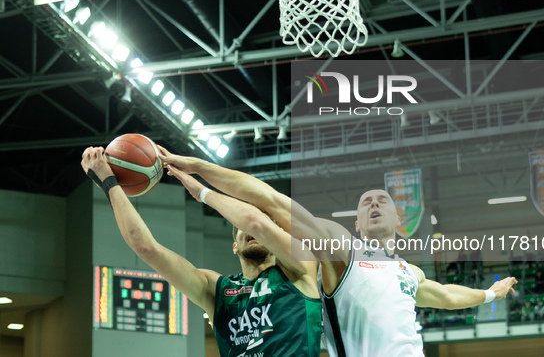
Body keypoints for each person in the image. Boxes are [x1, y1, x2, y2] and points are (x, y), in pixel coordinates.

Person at [157, 147, 518, 357]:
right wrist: (195, 169)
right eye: (366, 203)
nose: (375, 204)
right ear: (357, 223)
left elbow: (446, 295)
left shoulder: (408, 271)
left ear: (399, 218)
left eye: (383, 201)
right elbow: (270, 201)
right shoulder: (343, 249)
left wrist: (490, 293)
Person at [80, 146, 322, 357]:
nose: (251, 228)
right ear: (234, 246)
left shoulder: (301, 268)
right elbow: (145, 248)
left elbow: (256, 222)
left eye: (265, 224)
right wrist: (109, 183)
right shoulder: (215, 290)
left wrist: (201, 191)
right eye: (239, 228)